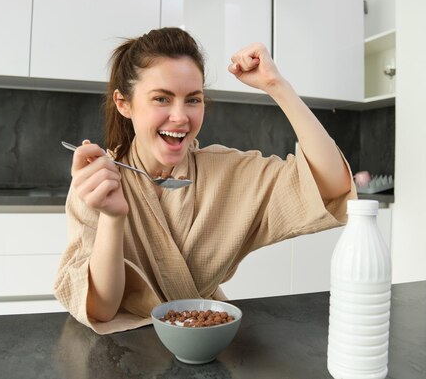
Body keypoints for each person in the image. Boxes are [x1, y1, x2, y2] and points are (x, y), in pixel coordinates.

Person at [54, 27, 356, 334]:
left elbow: (332, 185)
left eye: (193, 100)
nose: (180, 117)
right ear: (124, 103)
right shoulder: (97, 183)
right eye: (161, 98)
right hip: (124, 349)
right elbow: (102, 310)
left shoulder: (227, 173)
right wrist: (113, 216)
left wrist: (277, 86)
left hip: (205, 339)